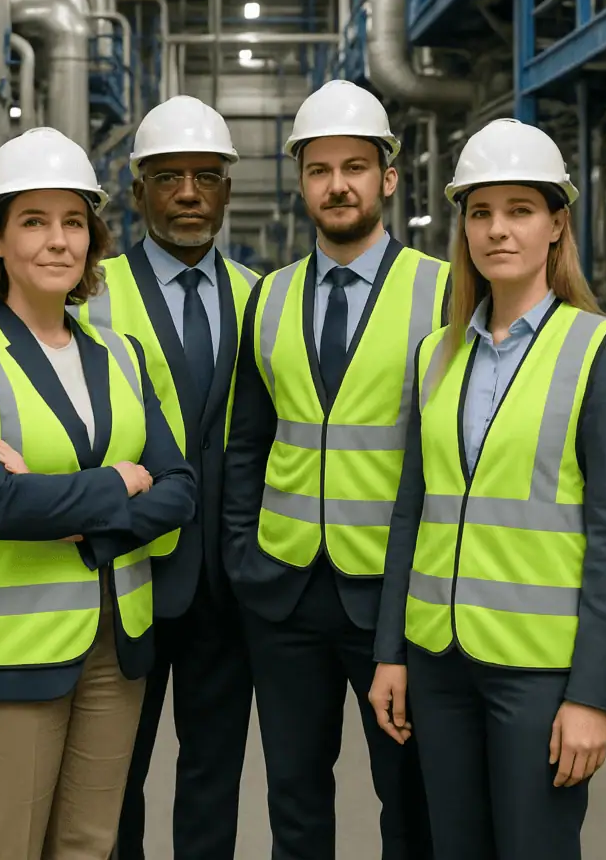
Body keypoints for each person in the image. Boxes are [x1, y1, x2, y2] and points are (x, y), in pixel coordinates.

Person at [0, 126, 197, 860]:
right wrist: (117, 481)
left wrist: (76, 514)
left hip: (116, 645)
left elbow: (178, 489)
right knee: (4, 847)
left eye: (73, 222)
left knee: (88, 845)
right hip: (7, 654)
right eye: (33, 221)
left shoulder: (121, 354)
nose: (58, 241)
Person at [370, 118, 606, 860]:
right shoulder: (435, 355)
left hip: (537, 673)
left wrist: (592, 697)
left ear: (555, 224)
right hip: (438, 663)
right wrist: (391, 653)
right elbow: (410, 511)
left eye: (519, 210)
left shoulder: (597, 350)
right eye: (479, 212)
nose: (497, 230)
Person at [222, 79, 448, 860]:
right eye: (320, 169)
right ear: (301, 181)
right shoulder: (270, 298)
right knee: (293, 795)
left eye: (355, 166)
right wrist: (243, 558)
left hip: (392, 597)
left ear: (388, 176)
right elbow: (246, 442)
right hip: (283, 592)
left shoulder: (445, 291)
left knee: (408, 794)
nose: (338, 184)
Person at [78, 96, 257, 860]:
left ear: (226, 189)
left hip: (231, 586)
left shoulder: (261, 296)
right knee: (113, 782)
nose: (189, 193)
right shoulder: (92, 294)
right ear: (137, 186)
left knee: (214, 777)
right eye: (168, 177)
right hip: (129, 582)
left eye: (206, 177)